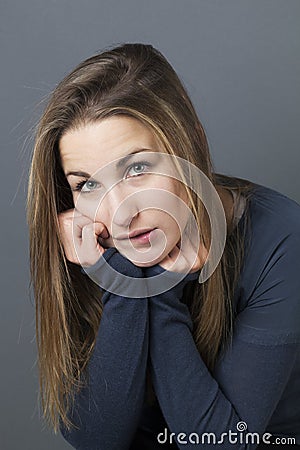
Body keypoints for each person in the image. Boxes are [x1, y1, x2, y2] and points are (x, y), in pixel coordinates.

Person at [26, 43, 300, 449]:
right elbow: (97, 440)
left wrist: (162, 297)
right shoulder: (90, 242)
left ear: (189, 144)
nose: (119, 213)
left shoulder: (284, 239)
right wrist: (123, 284)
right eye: (87, 184)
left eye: (137, 168)